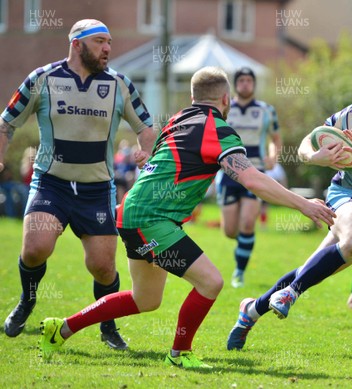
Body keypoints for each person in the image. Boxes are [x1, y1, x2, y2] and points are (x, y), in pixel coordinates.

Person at [38, 66, 336, 368]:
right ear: (225, 98)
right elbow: (252, 179)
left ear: (193, 96)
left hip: (134, 212)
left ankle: (61, 328)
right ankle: (180, 354)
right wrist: (303, 205)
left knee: (146, 300)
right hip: (151, 218)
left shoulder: (177, 119)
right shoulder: (216, 128)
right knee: (211, 282)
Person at [226, 54, 352, 350]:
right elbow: (307, 143)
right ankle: (291, 292)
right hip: (347, 193)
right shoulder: (347, 116)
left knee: (312, 270)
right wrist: (314, 156)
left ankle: (252, 310)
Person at [0, 19, 156, 349]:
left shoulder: (120, 84)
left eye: (110, 42)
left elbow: (146, 126)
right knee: (34, 250)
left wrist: (145, 148)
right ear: (76, 44)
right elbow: (6, 124)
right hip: (51, 183)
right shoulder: (42, 79)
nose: (107, 48)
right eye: (100, 41)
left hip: (96, 190)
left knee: (102, 268)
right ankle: (27, 302)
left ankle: (107, 326)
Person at [215, 66, 282, 288]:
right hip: (228, 173)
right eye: (241, 80)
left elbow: (276, 138)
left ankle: (239, 273)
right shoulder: (224, 108)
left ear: (253, 84)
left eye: (248, 80)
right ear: (235, 85)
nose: (245, 84)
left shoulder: (266, 110)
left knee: (247, 223)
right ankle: (243, 242)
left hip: (256, 171)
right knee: (229, 231)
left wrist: (273, 155)